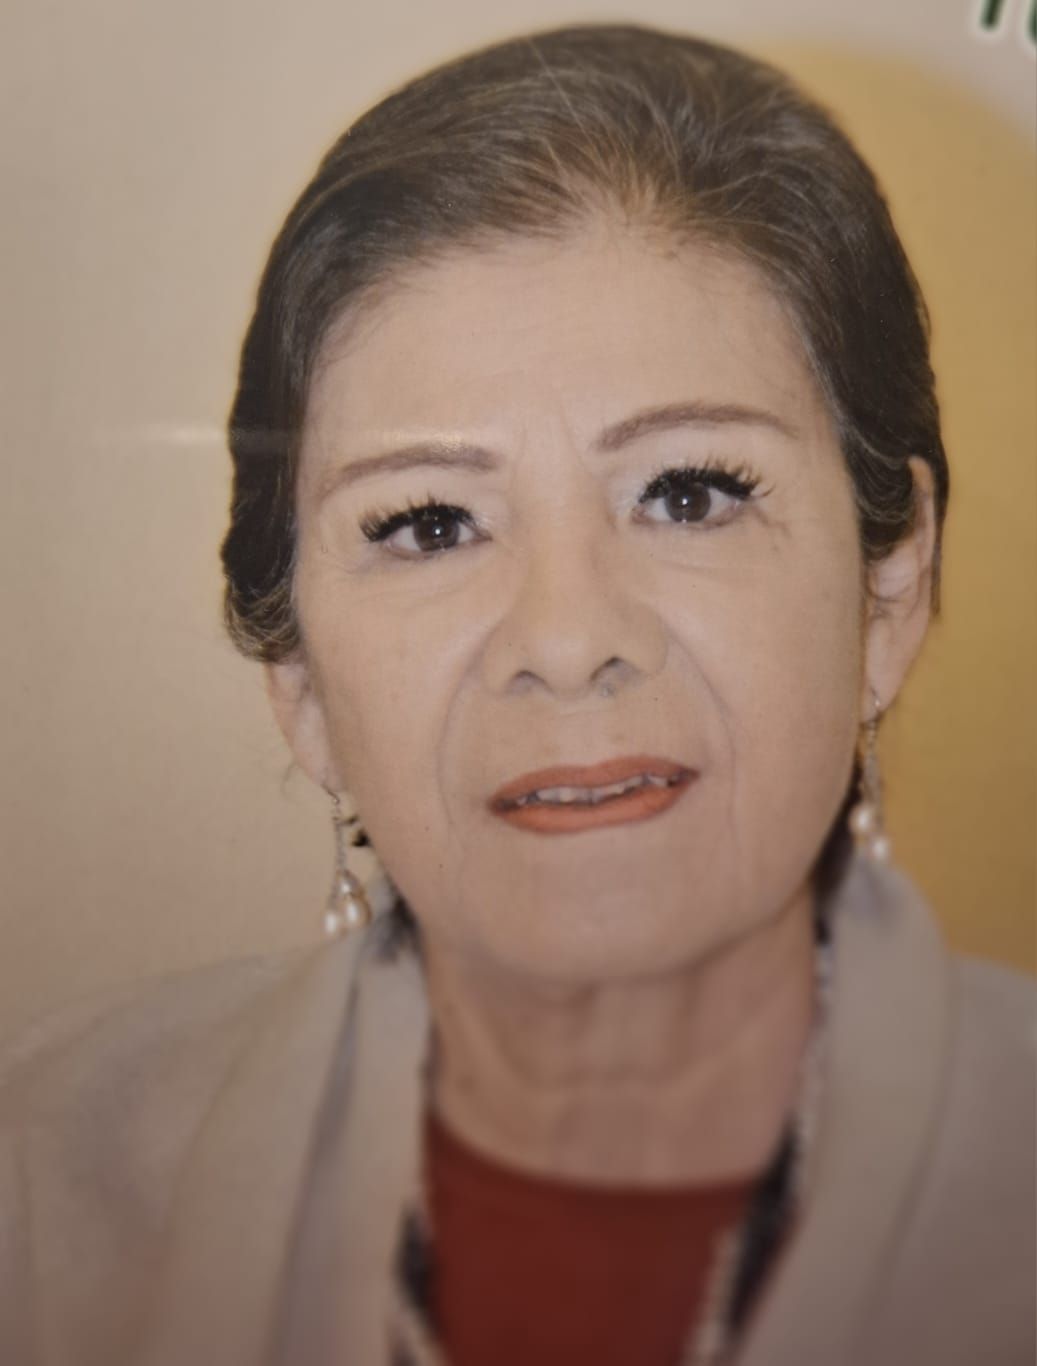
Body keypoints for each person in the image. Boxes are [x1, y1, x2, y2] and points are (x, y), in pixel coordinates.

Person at [0, 23, 1032, 1366]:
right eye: (427, 523)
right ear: (297, 677)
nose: (563, 636)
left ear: (887, 589)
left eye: (689, 490)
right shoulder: (31, 1188)